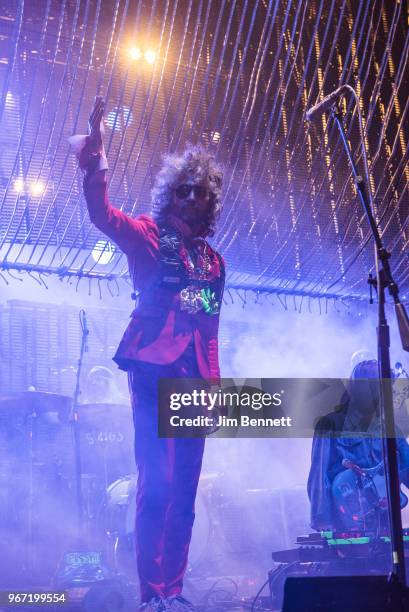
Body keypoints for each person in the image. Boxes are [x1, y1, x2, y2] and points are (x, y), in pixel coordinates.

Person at [69, 96, 225, 611]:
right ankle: (151, 595)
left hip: (193, 382)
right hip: (153, 370)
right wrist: (97, 153)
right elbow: (101, 214)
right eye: (186, 190)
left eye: (202, 193)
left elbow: (209, 330)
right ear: (170, 194)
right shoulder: (147, 236)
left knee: (185, 492)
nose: (194, 199)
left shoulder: (214, 262)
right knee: (155, 486)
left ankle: (175, 591)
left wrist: (214, 387)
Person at [307, 360, 409, 534]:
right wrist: (324, 523)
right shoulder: (331, 424)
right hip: (346, 523)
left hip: (386, 522)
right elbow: (319, 477)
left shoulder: (392, 430)